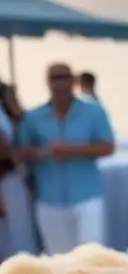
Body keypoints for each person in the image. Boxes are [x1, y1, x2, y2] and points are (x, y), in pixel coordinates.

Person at [17, 63, 114, 253]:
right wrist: (44, 152)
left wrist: (71, 150)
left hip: (86, 196)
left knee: (91, 257)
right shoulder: (34, 117)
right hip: (49, 199)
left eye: (63, 77)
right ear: (47, 82)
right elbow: (21, 151)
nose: (59, 83)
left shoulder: (94, 112)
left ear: (72, 80)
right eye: (54, 78)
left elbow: (107, 147)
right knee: (57, 261)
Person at [0, 81, 36, 257]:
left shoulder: (7, 106)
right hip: (5, 184)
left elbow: (24, 127)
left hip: (15, 181)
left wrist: (14, 105)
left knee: (22, 237)